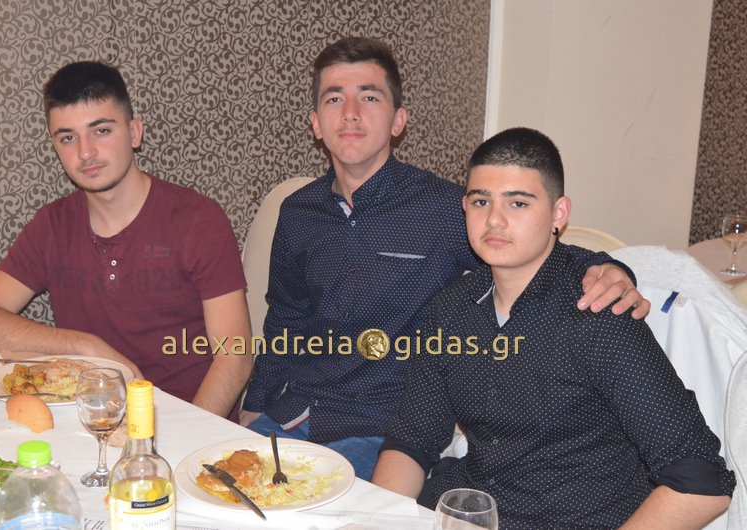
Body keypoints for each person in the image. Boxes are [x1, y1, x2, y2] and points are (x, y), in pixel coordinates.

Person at [240, 37, 650, 480]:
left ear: (398, 121)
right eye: (334, 98)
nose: (351, 113)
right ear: (316, 123)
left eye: (369, 97)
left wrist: (612, 269)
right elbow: (286, 317)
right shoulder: (297, 212)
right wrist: (253, 407)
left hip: (384, 430)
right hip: (298, 412)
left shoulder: (444, 210)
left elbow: (533, 253)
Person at [372, 127, 734, 528]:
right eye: (481, 201)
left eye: (518, 203)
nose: (494, 219)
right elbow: (412, 441)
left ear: (558, 214)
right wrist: (373, 519)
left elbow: (701, 482)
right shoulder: (452, 310)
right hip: (471, 511)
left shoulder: (598, 312)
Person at [0, 62, 252, 416]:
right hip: (90, 421)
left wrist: (190, 436)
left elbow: (235, 356)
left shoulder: (198, 220)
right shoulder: (52, 225)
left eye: (101, 130)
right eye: (68, 137)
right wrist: (84, 346)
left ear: (134, 133)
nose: (86, 152)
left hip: (186, 421)